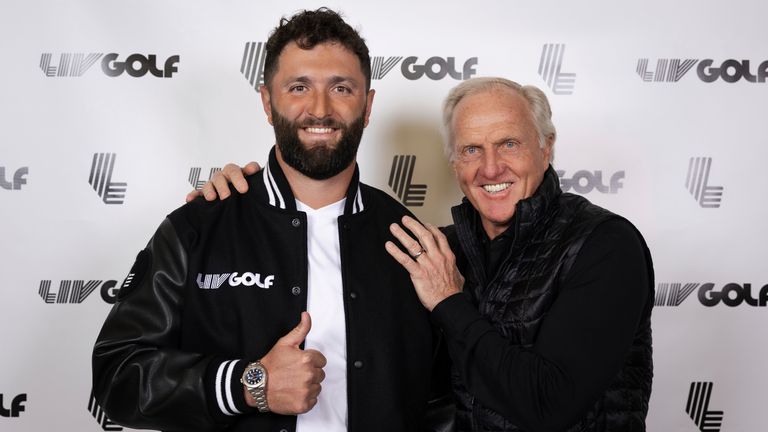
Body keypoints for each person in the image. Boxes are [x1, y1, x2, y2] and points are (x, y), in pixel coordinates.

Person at [202, 77, 654, 431]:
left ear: (546, 146)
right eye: (471, 149)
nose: (491, 167)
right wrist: (239, 202)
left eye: (509, 143)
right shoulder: (438, 247)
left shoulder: (604, 244)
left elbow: (548, 405)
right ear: (453, 162)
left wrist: (449, 302)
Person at [92, 9, 447, 432]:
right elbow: (118, 378)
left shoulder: (410, 239)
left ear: (367, 106)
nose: (320, 109)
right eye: (299, 87)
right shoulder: (198, 227)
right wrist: (247, 384)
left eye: (342, 88)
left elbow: (443, 402)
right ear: (267, 101)